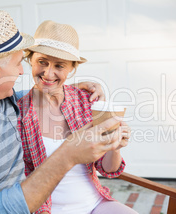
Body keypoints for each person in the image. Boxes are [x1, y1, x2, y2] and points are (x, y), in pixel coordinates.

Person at [0, 10, 124, 213]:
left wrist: (70, 88)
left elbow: (39, 94)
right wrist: (68, 154)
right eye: (18, 62)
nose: (22, 71)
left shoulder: (2, 98)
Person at [18, 20, 137, 214]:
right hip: (46, 209)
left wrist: (114, 147)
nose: (48, 73)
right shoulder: (17, 113)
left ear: (72, 68)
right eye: (42, 62)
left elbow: (108, 169)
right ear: (30, 59)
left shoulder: (85, 101)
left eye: (59, 65)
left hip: (95, 204)